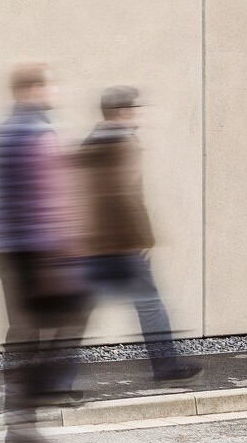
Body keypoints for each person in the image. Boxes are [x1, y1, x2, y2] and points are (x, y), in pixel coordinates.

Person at [0, 63, 90, 443]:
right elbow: (50, 197)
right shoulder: (38, 134)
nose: (54, 91)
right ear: (32, 89)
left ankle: (20, 426)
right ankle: (40, 391)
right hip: (39, 252)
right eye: (49, 85)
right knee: (75, 313)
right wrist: (56, 258)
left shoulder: (0, 134)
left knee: (23, 334)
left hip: (6, 250)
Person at [72, 86, 202, 385]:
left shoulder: (90, 143)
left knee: (78, 312)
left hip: (94, 243)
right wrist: (145, 238)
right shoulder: (124, 144)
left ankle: (56, 379)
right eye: (134, 109)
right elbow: (127, 196)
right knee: (150, 302)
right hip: (123, 243)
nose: (138, 115)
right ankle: (165, 366)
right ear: (121, 112)